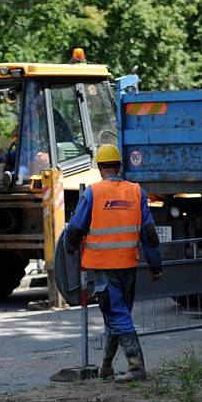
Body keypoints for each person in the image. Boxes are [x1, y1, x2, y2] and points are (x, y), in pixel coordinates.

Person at [64, 144, 163, 382]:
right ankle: (106, 366)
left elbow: (76, 228)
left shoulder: (93, 193)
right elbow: (149, 233)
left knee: (116, 314)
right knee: (118, 314)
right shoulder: (136, 192)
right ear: (119, 166)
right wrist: (156, 265)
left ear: (99, 168)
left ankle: (136, 367)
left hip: (103, 267)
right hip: (128, 264)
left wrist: (69, 247)